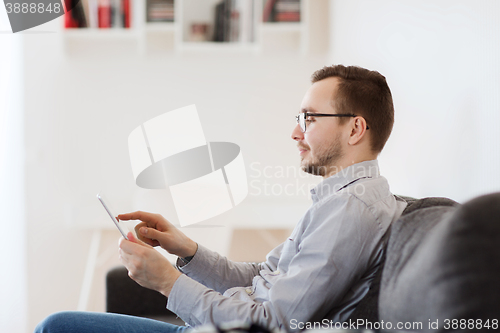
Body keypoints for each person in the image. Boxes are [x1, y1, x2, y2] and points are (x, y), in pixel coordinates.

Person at [35, 65, 407, 333]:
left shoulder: (351, 211)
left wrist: (168, 282)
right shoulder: (339, 199)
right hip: (226, 319)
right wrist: (189, 251)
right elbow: (265, 275)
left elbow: (272, 324)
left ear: (355, 128)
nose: (295, 132)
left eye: (309, 118)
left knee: (55, 326)